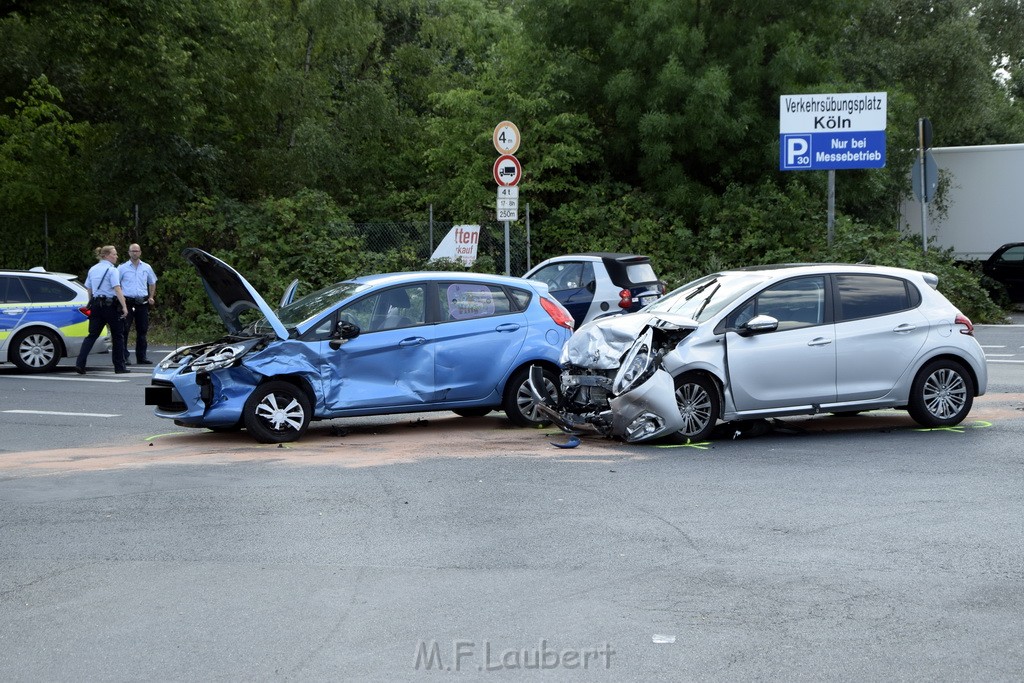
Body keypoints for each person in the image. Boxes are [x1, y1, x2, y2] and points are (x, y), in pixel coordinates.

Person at [75, 245, 129, 374]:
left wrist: (91, 302)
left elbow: (89, 289)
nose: (116, 256)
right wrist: (124, 307)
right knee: (117, 336)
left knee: (92, 336)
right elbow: (117, 289)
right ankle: (119, 367)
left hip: (96, 306)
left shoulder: (93, 269)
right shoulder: (112, 270)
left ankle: (80, 364)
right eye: (114, 254)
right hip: (110, 306)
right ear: (106, 255)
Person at [118, 243, 158, 365]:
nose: (135, 253)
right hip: (128, 302)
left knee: (142, 331)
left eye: (137, 251)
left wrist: (151, 296)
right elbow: (116, 285)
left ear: (140, 252)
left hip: (142, 303)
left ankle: (142, 357)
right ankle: (124, 356)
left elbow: (152, 282)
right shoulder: (122, 268)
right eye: (132, 251)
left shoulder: (146, 267)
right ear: (129, 252)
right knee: (124, 330)